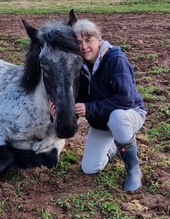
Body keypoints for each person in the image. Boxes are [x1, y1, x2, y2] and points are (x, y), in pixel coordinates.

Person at [53, 14, 146, 192]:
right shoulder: (80, 68)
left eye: (88, 40)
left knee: (117, 118)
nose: (84, 46)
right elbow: (77, 99)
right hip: (102, 123)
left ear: (99, 39)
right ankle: (116, 147)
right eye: (79, 43)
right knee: (89, 168)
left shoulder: (115, 59)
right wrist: (58, 111)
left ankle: (133, 169)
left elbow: (125, 100)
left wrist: (89, 108)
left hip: (129, 114)